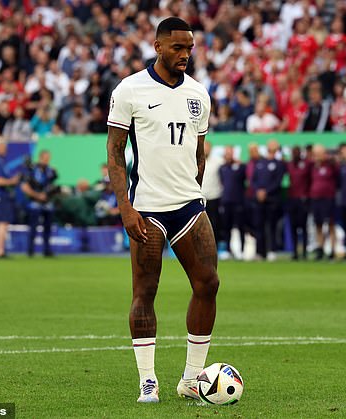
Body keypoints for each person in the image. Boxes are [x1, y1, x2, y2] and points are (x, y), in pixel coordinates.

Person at [105, 17, 216, 403]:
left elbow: (199, 151)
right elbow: (115, 153)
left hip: (188, 205)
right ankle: (147, 380)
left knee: (209, 283)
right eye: (177, 48)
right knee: (145, 290)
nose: (185, 54)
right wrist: (125, 207)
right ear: (157, 46)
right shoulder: (130, 89)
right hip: (146, 208)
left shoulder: (199, 94)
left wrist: (195, 189)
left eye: (189, 48)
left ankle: (191, 378)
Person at [251, 139, 286, 261]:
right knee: (259, 226)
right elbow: (253, 180)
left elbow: (278, 181)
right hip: (259, 200)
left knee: (272, 226)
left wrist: (266, 192)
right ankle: (259, 252)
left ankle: (272, 250)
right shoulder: (260, 163)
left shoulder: (279, 164)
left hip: (272, 199)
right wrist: (258, 191)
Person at [21, 150, 58, 257]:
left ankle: (47, 250)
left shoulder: (50, 171)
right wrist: (37, 195)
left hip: (47, 202)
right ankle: (30, 250)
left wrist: (49, 193)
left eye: (48, 158)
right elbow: (25, 186)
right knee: (33, 226)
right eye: (45, 158)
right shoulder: (32, 170)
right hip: (35, 201)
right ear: (40, 157)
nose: (46, 160)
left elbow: (51, 184)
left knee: (48, 227)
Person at [309, 144, 338, 260]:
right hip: (316, 198)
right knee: (318, 225)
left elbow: (338, 176)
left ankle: (333, 249)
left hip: (328, 199)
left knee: (330, 224)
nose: (317, 156)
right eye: (315, 154)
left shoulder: (331, 166)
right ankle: (320, 249)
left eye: (319, 153)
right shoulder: (312, 167)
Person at [218, 146, 246, 259]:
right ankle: (228, 250)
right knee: (226, 227)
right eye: (226, 153)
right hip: (226, 201)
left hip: (238, 201)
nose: (228, 155)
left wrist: (240, 164)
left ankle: (242, 251)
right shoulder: (222, 168)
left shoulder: (240, 167)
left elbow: (245, 176)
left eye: (230, 153)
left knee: (240, 227)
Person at [287, 145, 311, 260]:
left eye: (296, 152)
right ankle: (295, 252)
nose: (295, 154)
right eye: (293, 152)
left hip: (303, 199)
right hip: (292, 198)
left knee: (303, 227)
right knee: (293, 227)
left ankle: (305, 251)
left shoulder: (306, 164)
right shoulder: (289, 165)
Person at [201, 141, 223, 246]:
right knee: (200, 225)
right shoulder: (196, 160)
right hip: (200, 197)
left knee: (214, 223)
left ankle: (215, 246)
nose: (205, 150)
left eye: (207, 148)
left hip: (214, 196)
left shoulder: (218, 161)